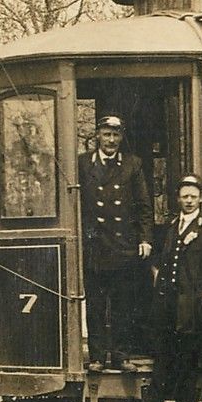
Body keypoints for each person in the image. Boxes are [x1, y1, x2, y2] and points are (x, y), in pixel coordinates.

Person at [136, 176, 202, 402]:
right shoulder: (172, 226)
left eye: (193, 197)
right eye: (184, 196)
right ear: (178, 199)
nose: (188, 201)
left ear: (200, 199)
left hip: (192, 307)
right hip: (168, 305)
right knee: (162, 357)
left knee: (189, 360)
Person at [78, 114, 153, 371]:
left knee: (123, 304)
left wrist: (145, 239)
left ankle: (121, 356)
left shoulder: (133, 165)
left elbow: (144, 206)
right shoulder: (83, 163)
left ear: (121, 137)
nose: (111, 140)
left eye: (115, 135)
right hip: (94, 247)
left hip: (123, 246)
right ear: (98, 135)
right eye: (106, 134)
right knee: (95, 304)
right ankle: (98, 357)